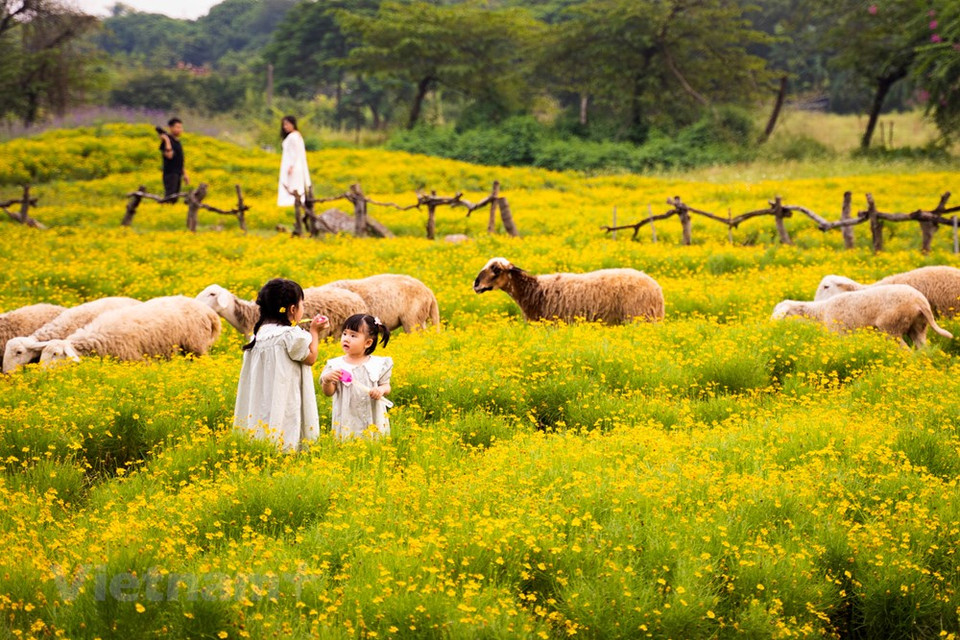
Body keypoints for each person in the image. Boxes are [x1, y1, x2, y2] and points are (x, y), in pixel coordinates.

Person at [234, 278, 329, 452]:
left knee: (264, 415)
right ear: (292, 309)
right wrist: (315, 331)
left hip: (262, 393)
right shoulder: (290, 335)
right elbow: (310, 358)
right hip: (284, 392)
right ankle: (286, 451)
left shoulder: (258, 336)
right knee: (285, 417)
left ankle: (260, 448)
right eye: (302, 304)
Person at [320, 314, 393, 439]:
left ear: (368, 343)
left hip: (372, 416)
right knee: (347, 441)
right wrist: (327, 380)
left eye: (353, 336)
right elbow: (329, 392)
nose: (346, 339)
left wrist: (380, 390)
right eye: (344, 334)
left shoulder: (378, 364)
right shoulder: (335, 365)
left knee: (373, 444)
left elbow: (386, 386)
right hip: (347, 418)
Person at [277, 115, 312, 208]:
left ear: (293, 124)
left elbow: (295, 153)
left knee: (292, 184)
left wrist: (291, 166)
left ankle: (291, 203)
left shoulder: (293, 136)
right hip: (295, 165)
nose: (285, 127)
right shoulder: (296, 135)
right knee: (295, 184)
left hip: (293, 166)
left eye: (287, 124)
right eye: (284, 125)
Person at [159, 117, 188, 202]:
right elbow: (169, 156)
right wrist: (167, 140)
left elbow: (179, 159)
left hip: (178, 173)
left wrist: (185, 174)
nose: (180, 130)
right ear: (171, 128)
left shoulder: (177, 142)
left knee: (175, 198)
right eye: (177, 127)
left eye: (181, 127)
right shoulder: (167, 142)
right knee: (170, 197)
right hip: (170, 174)